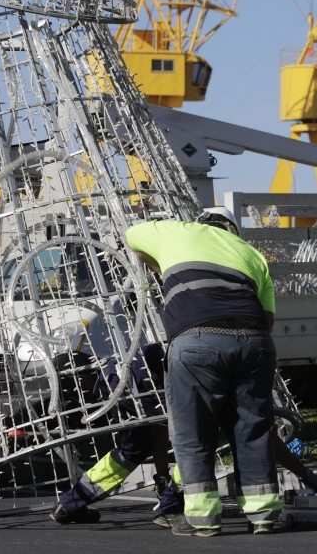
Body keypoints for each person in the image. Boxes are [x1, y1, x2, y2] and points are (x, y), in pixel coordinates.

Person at [125, 207, 282, 537]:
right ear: (232, 231)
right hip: (255, 344)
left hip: (197, 342)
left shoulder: (175, 231)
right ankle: (263, 514)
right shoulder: (252, 254)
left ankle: (203, 519)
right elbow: (268, 320)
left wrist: (161, 265)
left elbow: (131, 237)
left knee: (194, 433)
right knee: (252, 429)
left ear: (201, 224)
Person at [51, 343, 178, 524]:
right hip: (142, 377)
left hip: (115, 373)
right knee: (192, 438)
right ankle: (173, 505)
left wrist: (163, 473)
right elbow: (166, 429)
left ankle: (69, 504)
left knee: (132, 449)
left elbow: (161, 430)